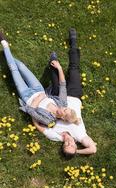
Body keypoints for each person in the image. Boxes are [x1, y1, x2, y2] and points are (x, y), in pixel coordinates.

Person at [33, 28, 97, 158]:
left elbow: (38, 125)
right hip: (74, 94)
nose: (69, 143)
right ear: (76, 145)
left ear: (63, 146)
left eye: (66, 145)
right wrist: (76, 152)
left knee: (54, 73)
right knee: (74, 68)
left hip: (57, 98)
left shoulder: (57, 135)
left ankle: (52, 62)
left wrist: (33, 110)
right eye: (72, 145)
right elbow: (93, 149)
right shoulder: (80, 136)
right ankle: (73, 41)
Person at [0, 32, 80, 127]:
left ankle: (5, 45)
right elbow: (62, 85)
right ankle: (7, 53)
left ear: (63, 118)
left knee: (13, 69)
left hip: (26, 96)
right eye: (66, 108)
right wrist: (59, 68)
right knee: (21, 66)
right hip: (38, 88)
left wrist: (38, 100)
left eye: (64, 110)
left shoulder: (49, 120)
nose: (63, 108)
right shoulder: (62, 103)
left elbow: (30, 111)